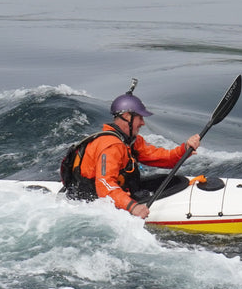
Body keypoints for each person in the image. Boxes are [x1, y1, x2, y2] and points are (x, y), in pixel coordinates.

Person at [68, 87, 201, 220]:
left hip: (117, 192)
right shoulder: (111, 146)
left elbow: (162, 158)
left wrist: (185, 149)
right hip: (93, 202)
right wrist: (133, 207)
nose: (143, 123)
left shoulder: (130, 141)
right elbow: (104, 185)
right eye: (140, 118)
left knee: (171, 181)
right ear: (127, 117)